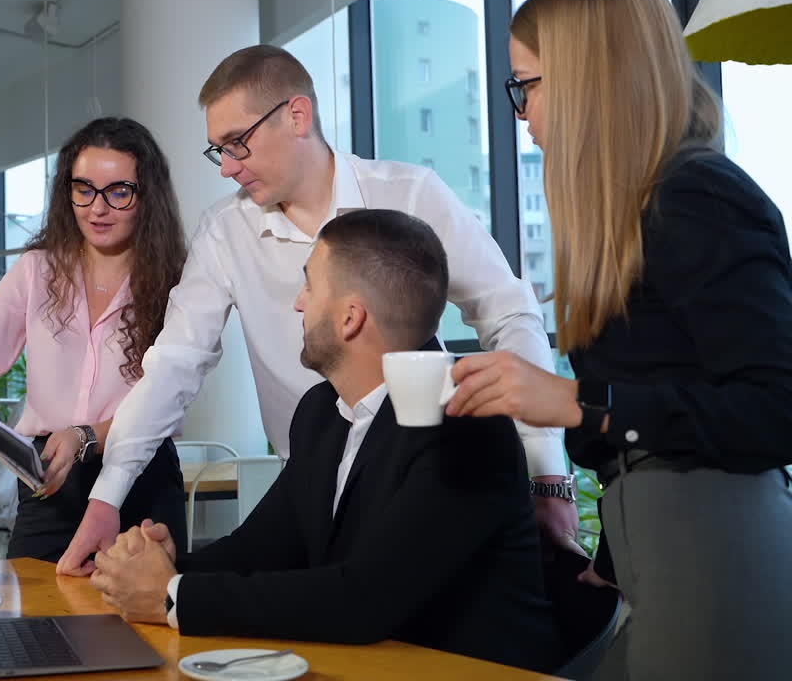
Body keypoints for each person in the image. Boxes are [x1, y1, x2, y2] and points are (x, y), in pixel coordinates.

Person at [59, 44, 578, 575]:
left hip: (420, 480)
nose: (229, 168)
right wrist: (108, 497)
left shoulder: (410, 194)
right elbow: (174, 363)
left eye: (238, 143)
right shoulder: (224, 230)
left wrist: (545, 471)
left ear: (297, 115)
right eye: (219, 151)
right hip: (307, 487)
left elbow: (509, 316)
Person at [443, 0, 792, 678]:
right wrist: (613, 554)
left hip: (715, 555)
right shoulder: (636, 215)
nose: (522, 113)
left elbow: (776, 410)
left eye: (526, 85)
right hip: (661, 551)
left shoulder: (699, 197)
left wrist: (577, 402)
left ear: (588, 78)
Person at [90, 209, 563, 673]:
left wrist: (172, 596)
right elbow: (262, 549)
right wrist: (167, 565)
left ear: (350, 318)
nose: (298, 303)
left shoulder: (466, 427)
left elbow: (363, 599)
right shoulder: (321, 413)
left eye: (310, 285)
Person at [0, 117, 190, 562]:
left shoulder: (177, 282)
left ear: (147, 196)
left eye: (118, 191)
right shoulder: (37, 270)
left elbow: (169, 395)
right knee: (32, 618)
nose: (97, 208)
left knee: (141, 625)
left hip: (143, 474)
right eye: (84, 189)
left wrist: (87, 435)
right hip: (49, 480)